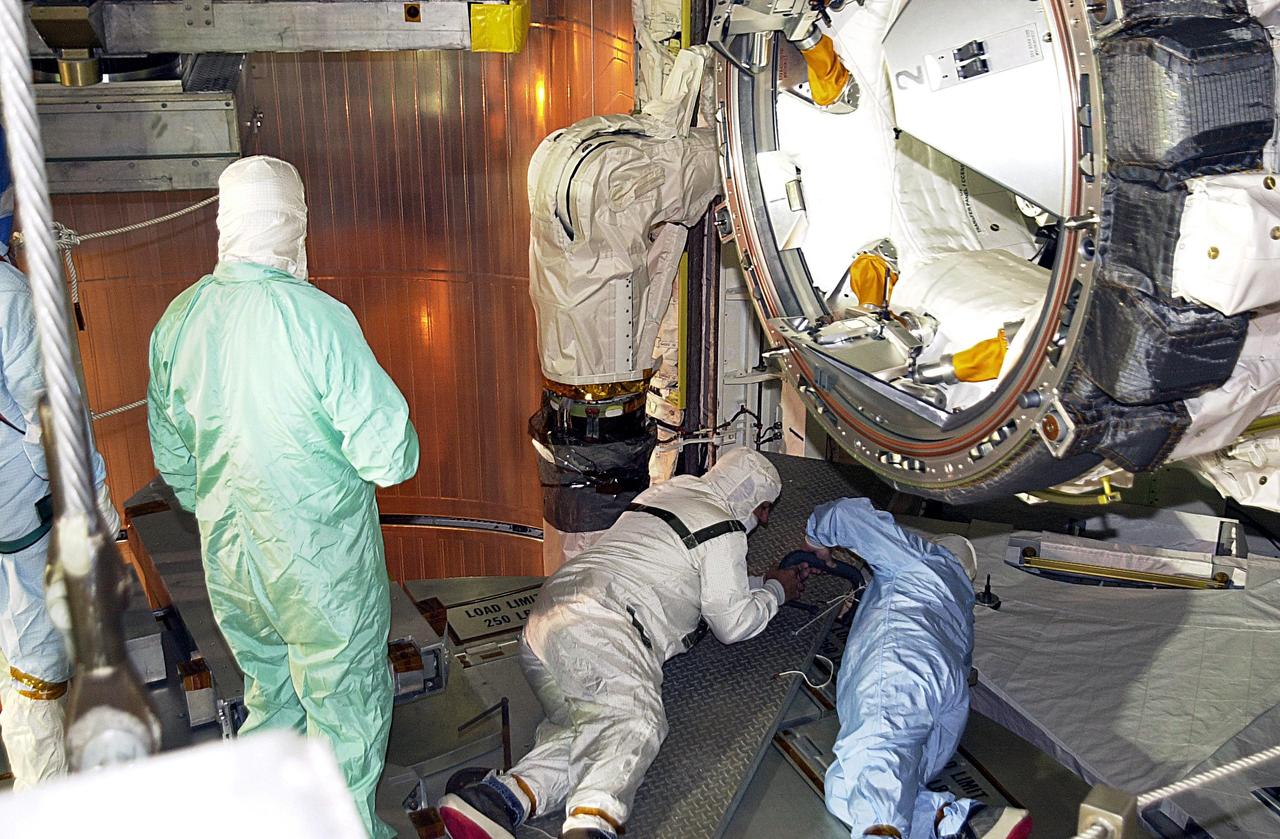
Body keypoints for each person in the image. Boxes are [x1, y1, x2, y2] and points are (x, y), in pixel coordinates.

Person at [146, 155, 419, 838]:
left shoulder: (178, 321)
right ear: (296, 224)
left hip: (235, 569)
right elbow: (390, 455)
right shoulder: (317, 320)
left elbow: (175, 464)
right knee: (344, 719)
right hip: (318, 568)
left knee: (271, 700)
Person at [438, 447, 805, 839]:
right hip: (603, 624)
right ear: (761, 507)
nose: (763, 520)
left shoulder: (662, 495)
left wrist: (759, 584)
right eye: (765, 511)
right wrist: (777, 594)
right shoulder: (725, 528)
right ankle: (590, 827)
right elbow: (733, 624)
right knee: (636, 720)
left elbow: (680, 571)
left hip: (548, 624)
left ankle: (498, 800)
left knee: (592, 732)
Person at [0, 128, 119, 788]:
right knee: (38, 678)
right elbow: (53, 423)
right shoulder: (8, 297)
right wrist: (96, 501)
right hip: (30, 530)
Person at [804, 498, 1032, 839]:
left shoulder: (923, 560)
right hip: (947, 697)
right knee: (849, 789)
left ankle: (883, 834)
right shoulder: (961, 604)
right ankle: (952, 820)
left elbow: (845, 515)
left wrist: (815, 540)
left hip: (905, 665)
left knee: (875, 755)